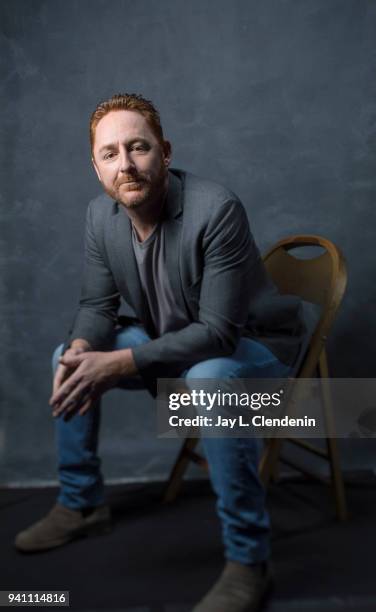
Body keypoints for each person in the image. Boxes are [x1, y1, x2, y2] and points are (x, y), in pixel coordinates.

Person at [15, 93, 305, 612]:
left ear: (165, 152)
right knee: (67, 354)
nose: (124, 164)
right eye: (109, 153)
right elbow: (96, 306)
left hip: (250, 346)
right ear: (96, 166)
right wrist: (85, 347)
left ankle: (249, 561)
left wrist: (122, 363)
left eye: (138, 147)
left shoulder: (216, 209)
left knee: (210, 379)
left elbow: (218, 334)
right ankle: (81, 503)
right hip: (171, 341)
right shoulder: (100, 217)